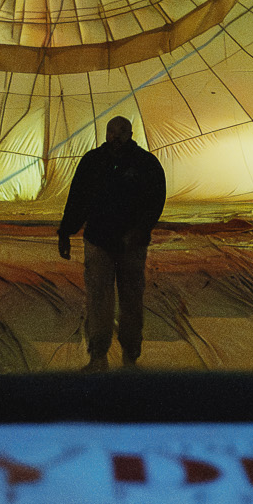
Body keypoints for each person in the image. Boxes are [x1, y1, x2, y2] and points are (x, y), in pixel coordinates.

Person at [56, 116, 167, 370]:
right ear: (105, 134)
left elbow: (155, 200)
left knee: (131, 298)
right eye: (111, 132)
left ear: (130, 134)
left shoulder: (145, 164)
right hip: (99, 240)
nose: (116, 136)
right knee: (98, 297)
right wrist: (65, 231)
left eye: (121, 131)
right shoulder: (93, 162)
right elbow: (77, 199)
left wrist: (140, 230)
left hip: (131, 243)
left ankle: (130, 355)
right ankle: (98, 356)